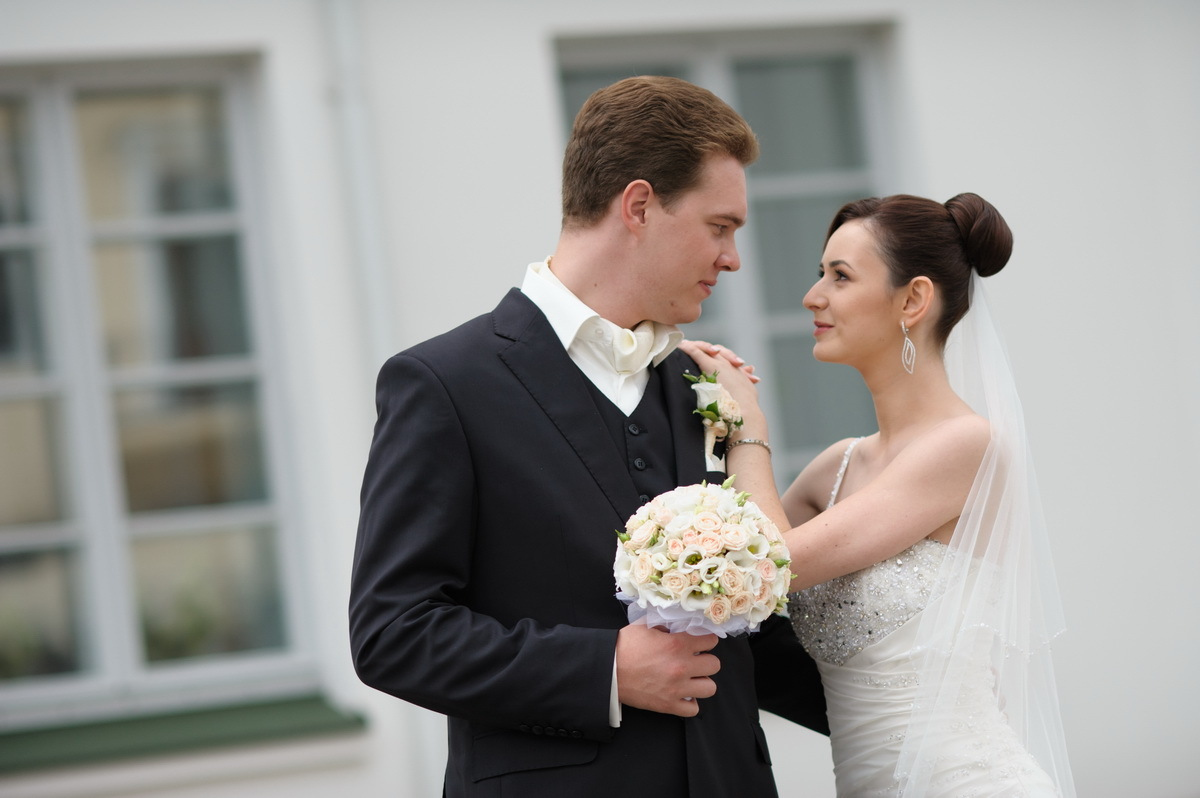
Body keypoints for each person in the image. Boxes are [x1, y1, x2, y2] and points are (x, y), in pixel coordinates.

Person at [349, 76, 828, 798]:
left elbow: (750, 627)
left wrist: (916, 703)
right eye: (720, 226)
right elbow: (393, 631)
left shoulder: (705, 391)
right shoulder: (444, 383)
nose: (732, 258)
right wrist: (603, 668)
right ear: (638, 206)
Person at [682, 192, 1076, 796]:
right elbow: (726, 579)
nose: (813, 296)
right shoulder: (833, 469)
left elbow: (766, 563)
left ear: (914, 299)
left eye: (840, 276)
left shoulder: (968, 447)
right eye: (820, 274)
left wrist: (747, 426)